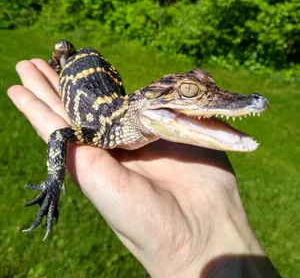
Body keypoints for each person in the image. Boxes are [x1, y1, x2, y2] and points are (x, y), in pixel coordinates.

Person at [8, 58, 281, 278]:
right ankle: (62, 55)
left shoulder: (131, 121)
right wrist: (53, 182)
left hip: (104, 80)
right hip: (82, 67)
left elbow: (59, 135)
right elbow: (59, 136)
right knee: (63, 49)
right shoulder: (104, 128)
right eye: (190, 92)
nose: (208, 100)